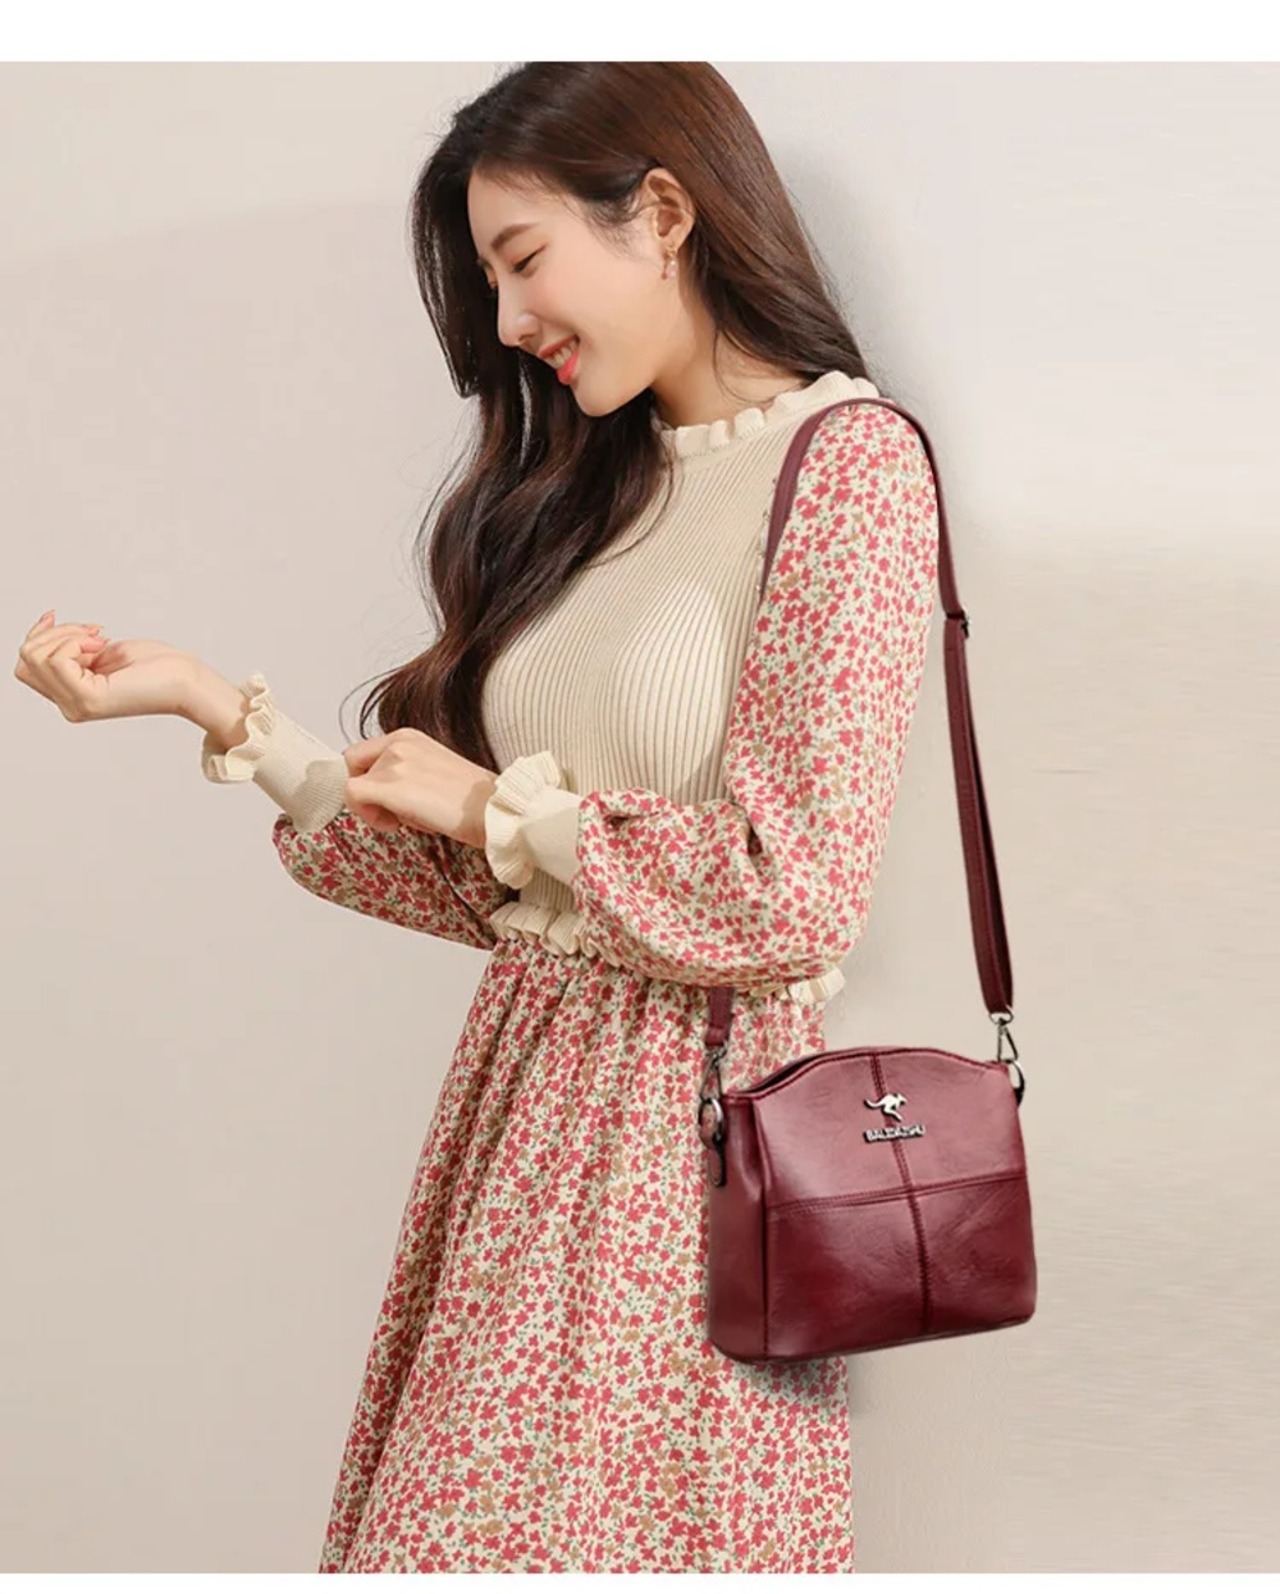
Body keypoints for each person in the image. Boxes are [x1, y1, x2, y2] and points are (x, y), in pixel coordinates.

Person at [13, 62, 940, 1575]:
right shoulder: (612, 490)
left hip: (687, 1153)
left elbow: (795, 893)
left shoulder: (850, 470)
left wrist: (502, 809)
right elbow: (497, 887)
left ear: (662, 213)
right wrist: (221, 715)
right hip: (524, 1109)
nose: (507, 323)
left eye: (523, 260)